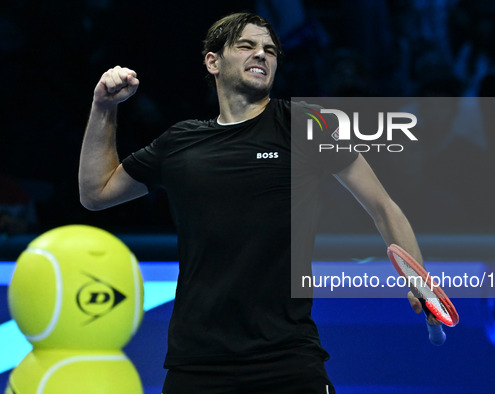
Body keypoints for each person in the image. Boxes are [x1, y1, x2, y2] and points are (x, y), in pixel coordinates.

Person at [79, 12, 430, 393]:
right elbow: (96, 193)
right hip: (197, 365)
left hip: (288, 360)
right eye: (246, 45)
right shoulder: (179, 143)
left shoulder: (306, 125)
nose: (261, 54)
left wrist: (419, 278)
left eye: (270, 50)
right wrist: (103, 107)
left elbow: (383, 206)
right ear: (212, 61)